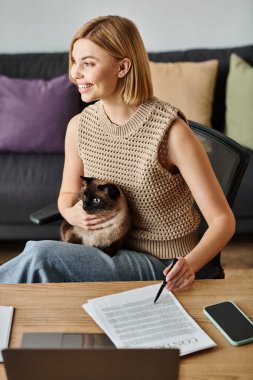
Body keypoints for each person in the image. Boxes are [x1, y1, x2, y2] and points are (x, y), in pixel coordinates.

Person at [0, 15, 235, 289]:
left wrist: (190, 265)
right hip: (107, 249)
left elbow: (222, 220)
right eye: (74, 61)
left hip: (161, 263)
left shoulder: (171, 133)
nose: (75, 73)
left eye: (88, 63)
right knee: (35, 257)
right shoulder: (79, 127)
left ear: (122, 67)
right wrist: (72, 213)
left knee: (41, 258)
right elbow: (66, 197)